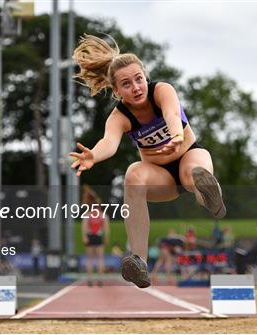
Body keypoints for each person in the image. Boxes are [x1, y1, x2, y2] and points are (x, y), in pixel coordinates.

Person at [70, 35, 226, 288]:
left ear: (146, 76)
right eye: (126, 84)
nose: (136, 87)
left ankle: (209, 196)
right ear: (117, 91)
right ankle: (138, 261)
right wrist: (94, 156)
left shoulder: (162, 90)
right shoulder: (119, 116)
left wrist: (176, 135)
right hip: (160, 176)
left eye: (138, 79)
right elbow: (109, 142)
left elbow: (172, 114)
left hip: (188, 154)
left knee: (194, 172)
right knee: (132, 175)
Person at [81, 186, 110, 287]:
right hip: (98, 236)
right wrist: (106, 239)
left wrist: (84, 237)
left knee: (89, 259)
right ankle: (100, 279)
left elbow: (84, 227)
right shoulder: (103, 215)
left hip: (90, 236)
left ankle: (89, 279)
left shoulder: (88, 214)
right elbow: (106, 229)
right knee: (100, 258)